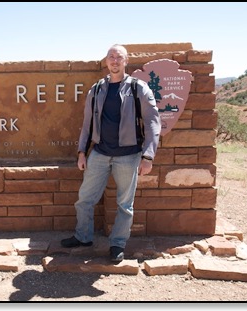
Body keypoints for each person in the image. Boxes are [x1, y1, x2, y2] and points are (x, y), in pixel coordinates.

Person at [61, 44, 162, 263]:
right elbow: (87, 124)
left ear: (126, 61)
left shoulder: (138, 88)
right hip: (99, 153)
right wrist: (81, 152)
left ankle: (117, 244)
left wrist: (148, 156)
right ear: (106, 61)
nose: (114, 60)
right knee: (84, 199)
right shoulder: (97, 89)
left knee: (125, 204)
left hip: (128, 155)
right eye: (111, 56)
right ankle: (83, 236)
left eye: (119, 57)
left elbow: (153, 122)